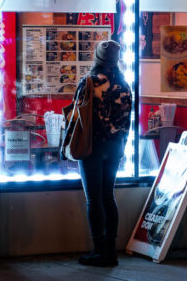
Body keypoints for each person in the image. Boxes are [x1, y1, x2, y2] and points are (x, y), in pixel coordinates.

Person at [74, 40, 132, 267]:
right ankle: (111, 251)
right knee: (109, 196)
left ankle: (98, 251)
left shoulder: (91, 82)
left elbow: (77, 112)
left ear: (97, 57)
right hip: (116, 146)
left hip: (93, 146)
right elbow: (128, 120)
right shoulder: (125, 83)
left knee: (94, 200)